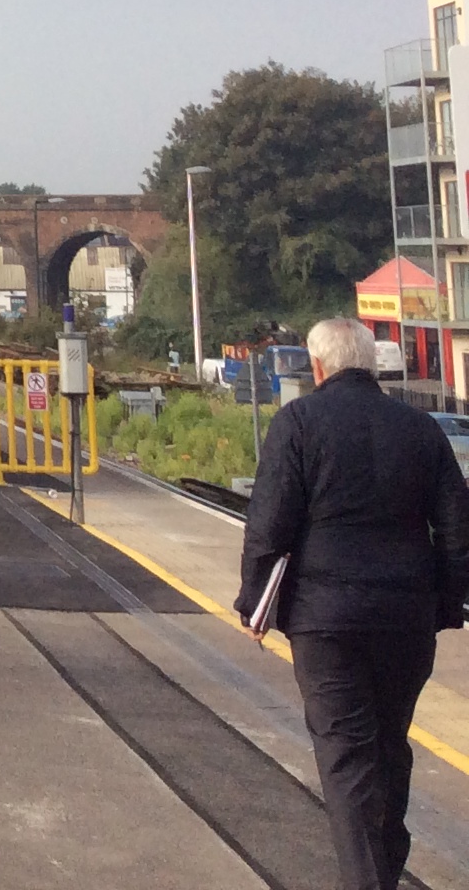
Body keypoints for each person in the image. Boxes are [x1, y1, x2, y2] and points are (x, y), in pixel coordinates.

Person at [238, 315, 469, 890]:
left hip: (325, 622)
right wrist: (447, 604)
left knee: (346, 758)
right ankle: (384, 870)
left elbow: (269, 525)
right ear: (371, 363)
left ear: (317, 366)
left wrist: (254, 605)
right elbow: (459, 528)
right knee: (390, 747)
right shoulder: (421, 429)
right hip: (406, 621)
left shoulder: (298, 422)